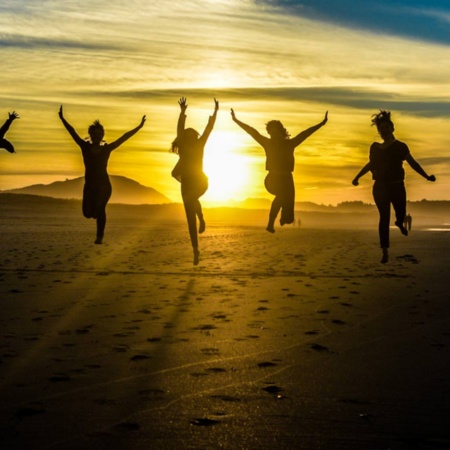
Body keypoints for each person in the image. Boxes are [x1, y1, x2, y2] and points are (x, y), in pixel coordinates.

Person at [352, 110, 435, 263]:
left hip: (397, 186)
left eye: (386, 127)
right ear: (379, 131)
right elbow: (371, 164)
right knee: (384, 217)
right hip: (380, 187)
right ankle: (385, 251)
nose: (383, 130)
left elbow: (413, 163)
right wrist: (357, 177)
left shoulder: (401, 147)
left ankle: (399, 222)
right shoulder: (375, 148)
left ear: (392, 128)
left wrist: (426, 176)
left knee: (401, 212)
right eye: (381, 128)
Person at [59, 105, 146, 244]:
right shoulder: (85, 146)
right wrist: (62, 119)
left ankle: (100, 236)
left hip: (104, 185)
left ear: (102, 135)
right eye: (95, 133)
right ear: (90, 134)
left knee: (100, 209)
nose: (97, 136)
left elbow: (124, 138)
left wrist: (139, 126)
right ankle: (95, 214)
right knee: (87, 214)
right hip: (89, 186)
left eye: (100, 134)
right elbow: (72, 132)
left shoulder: (107, 149)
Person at [231, 108, 328, 233]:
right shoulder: (267, 143)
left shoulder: (290, 143)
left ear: (281, 132)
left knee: (288, 211)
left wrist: (321, 123)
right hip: (272, 179)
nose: (273, 135)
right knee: (281, 196)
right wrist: (236, 120)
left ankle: (283, 219)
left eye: (276, 132)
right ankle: (270, 224)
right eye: (271, 132)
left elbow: (305, 133)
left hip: (287, 179)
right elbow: (252, 131)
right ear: (269, 133)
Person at [171, 97, 218, 265]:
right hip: (187, 185)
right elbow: (179, 129)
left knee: (192, 200)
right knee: (189, 219)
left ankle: (201, 216)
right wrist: (182, 112)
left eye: (193, 134)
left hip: (201, 181)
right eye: (187, 134)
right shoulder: (183, 147)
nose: (190, 135)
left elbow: (208, 130)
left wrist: (215, 113)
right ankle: (196, 250)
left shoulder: (200, 145)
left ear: (195, 136)